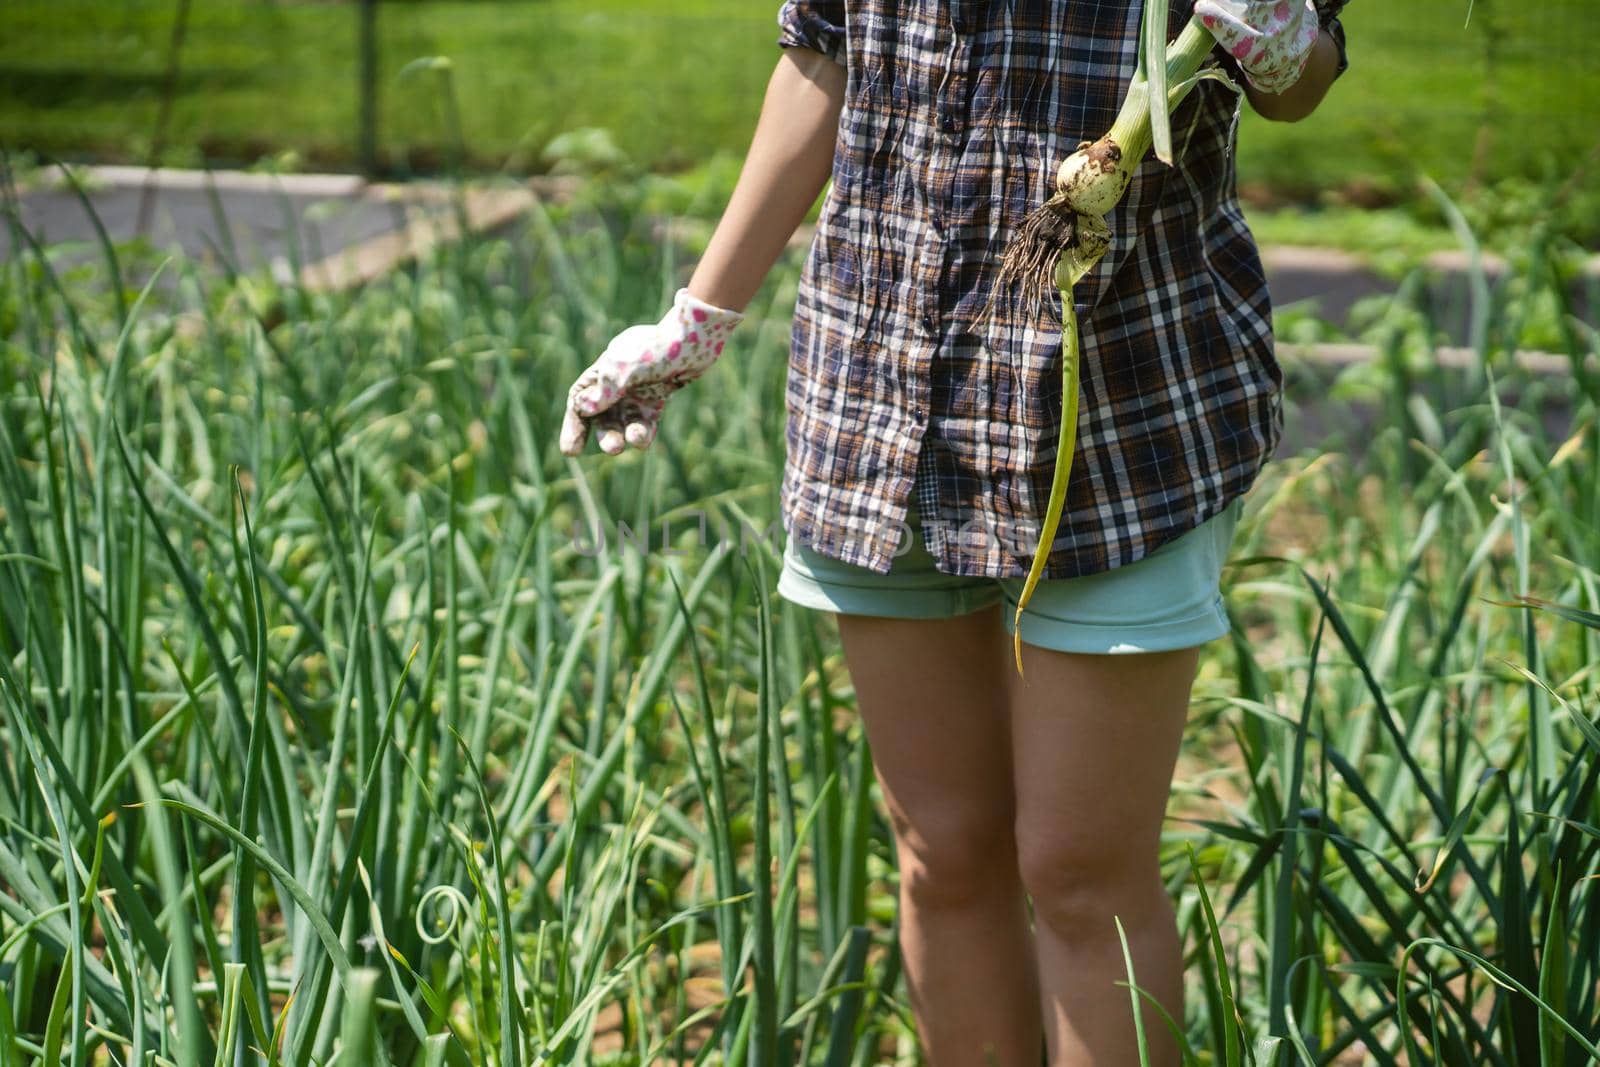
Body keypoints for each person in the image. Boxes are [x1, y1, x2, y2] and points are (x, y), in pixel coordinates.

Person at [560, 1, 1350, 1062]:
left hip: (1117, 405)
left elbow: (1301, 78)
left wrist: (1280, 32)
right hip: (881, 392)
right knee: (944, 852)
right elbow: (822, 56)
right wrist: (696, 318)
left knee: (1080, 871)